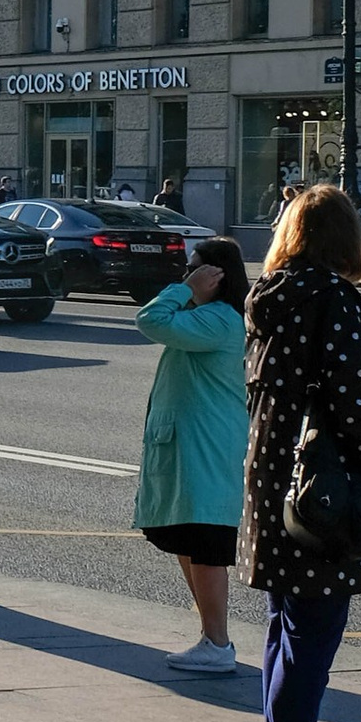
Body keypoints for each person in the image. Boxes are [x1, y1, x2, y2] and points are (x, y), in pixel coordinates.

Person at [238, 183, 361, 722]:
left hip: (273, 475)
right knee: (314, 631)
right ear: (346, 239)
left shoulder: (269, 297)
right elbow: (357, 404)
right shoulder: (334, 300)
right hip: (320, 486)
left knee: (284, 622)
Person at [134, 238, 250, 678]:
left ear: (215, 274)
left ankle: (218, 642)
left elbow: (148, 319)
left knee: (205, 543)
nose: (186, 275)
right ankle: (210, 637)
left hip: (206, 444)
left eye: (195, 268)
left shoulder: (218, 319)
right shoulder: (208, 317)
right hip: (195, 442)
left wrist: (184, 289)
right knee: (188, 536)